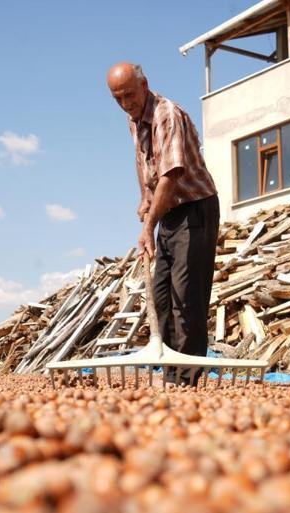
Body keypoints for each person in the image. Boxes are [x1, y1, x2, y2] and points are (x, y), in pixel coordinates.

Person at [106, 62, 220, 385]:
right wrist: (145, 196)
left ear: (144, 84)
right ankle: (171, 375)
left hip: (195, 208)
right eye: (118, 99)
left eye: (129, 94)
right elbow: (144, 164)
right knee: (162, 297)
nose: (126, 103)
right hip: (169, 211)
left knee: (187, 296)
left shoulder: (165, 114)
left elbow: (171, 174)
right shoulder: (134, 121)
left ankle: (188, 379)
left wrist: (148, 226)